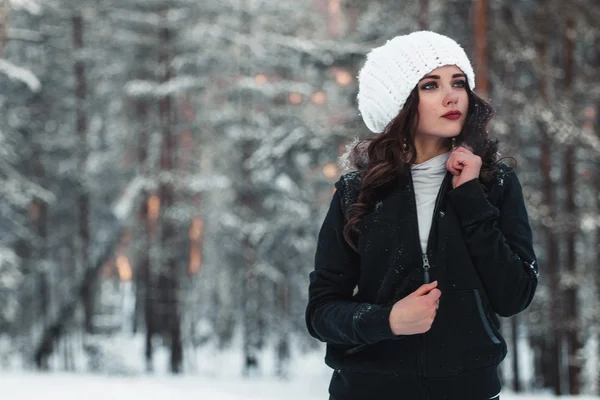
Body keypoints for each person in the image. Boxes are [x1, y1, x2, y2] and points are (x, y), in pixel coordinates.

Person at [305, 31, 539, 400]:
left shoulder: (495, 183)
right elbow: (321, 312)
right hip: (369, 390)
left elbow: (515, 295)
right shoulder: (357, 192)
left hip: (470, 390)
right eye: (430, 85)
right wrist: (389, 321)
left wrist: (471, 198)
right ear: (399, 102)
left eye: (458, 82)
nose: (452, 96)